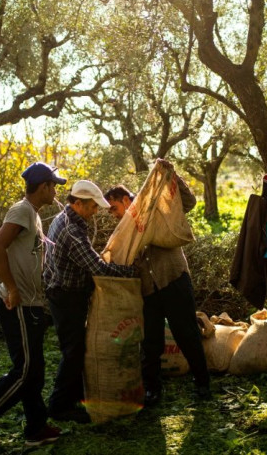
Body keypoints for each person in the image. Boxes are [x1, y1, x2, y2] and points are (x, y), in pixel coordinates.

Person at [0, 162, 66, 449]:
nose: (55, 190)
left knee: (36, 368)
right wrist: (12, 288)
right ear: (43, 186)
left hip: (31, 304)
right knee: (26, 369)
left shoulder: (34, 215)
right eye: (53, 185)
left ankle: (35, 428)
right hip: (17, 304)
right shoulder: (21, 210)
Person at [104, 159, 211, 407]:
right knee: (151, 341)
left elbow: (189, 203)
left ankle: (202, 383)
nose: (112, 214)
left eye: (113, 208)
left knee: (187, 334)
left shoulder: (155, 208)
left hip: (173, 279)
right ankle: (152, 390)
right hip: (149, 290)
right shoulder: (125, 230)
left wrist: (172, 174)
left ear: (125, 200)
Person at [44, 180, 138, 423]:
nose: (96, 211)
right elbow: (96, 267)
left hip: (62, 291)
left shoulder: (66, 219)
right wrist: (128, 273)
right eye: (92, 206)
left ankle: (74, 397)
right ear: (77, 203)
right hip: (66, 297)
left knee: (76, 347)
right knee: (73, 351)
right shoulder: (71, 231)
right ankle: (59, 406)